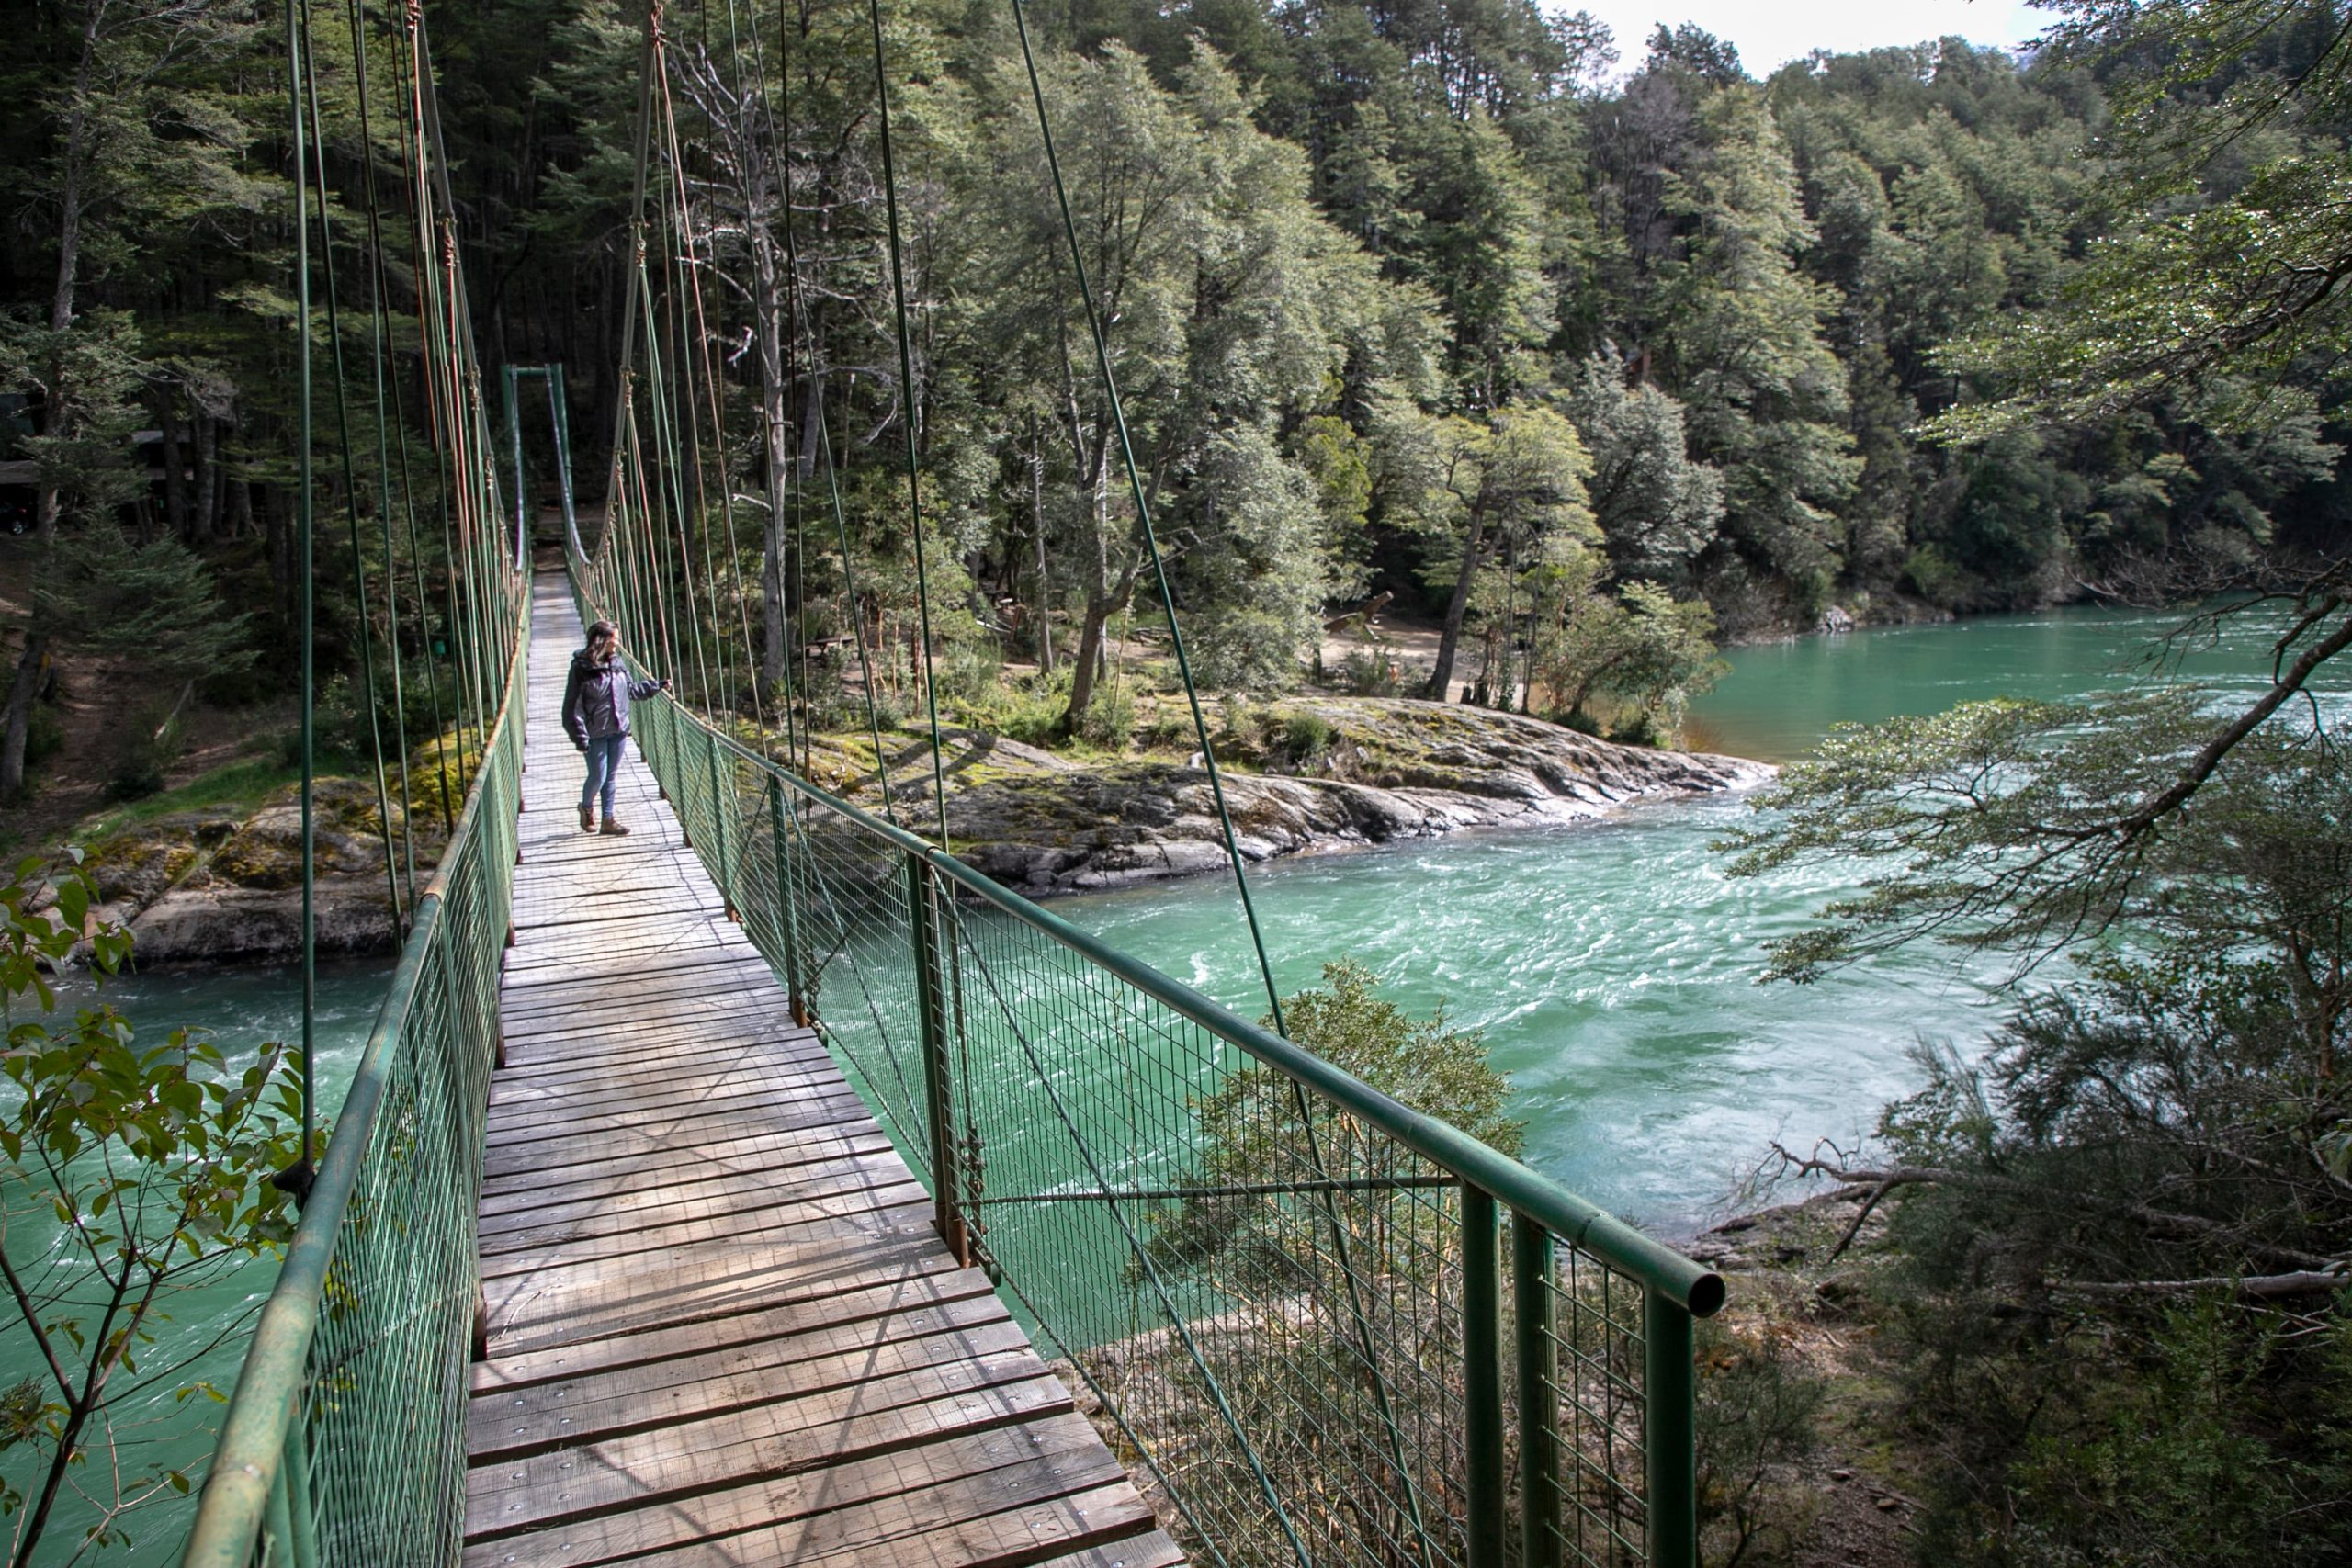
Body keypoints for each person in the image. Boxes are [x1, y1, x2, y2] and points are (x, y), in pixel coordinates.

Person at [560, 620, 668, 835]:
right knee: (598, 776)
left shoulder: (617, 663)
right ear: (601, 641)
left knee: (610, 776)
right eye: (614, 639)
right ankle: (586, 807)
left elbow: (631, 690)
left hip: (618, 730)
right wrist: (580, 736)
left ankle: (608, 820)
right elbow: (572, 707)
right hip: (594, 733)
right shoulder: (582, 668)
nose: (617, 643)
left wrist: (656, 686)